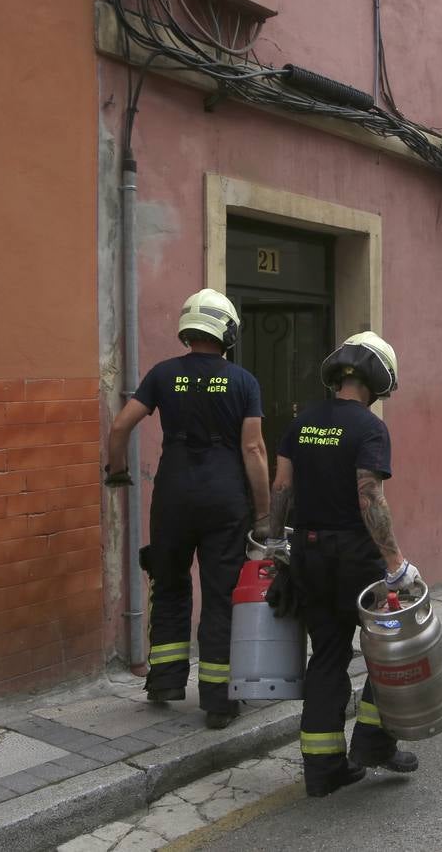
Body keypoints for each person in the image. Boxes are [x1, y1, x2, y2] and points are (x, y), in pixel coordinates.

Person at [105, 288, 270, 729]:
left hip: (173, 495)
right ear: (227, 330)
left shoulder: (163, 375)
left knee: (170, 584)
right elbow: (252, 448)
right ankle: (218, 701)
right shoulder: (243, 381)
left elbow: (121, 425)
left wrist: (117, 472)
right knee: (220, 594)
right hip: (225, 498)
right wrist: (264, 512)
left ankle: (164, 682)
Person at [267, 331, 420, 798]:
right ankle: (374, 745)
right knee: (389, 651)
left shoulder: (302, 421)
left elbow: (281, 488)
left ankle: (322, 768)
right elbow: (369, 493)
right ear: (377, 382)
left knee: (327, 657)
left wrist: (275, 543)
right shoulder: (369, 428)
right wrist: (395, 562)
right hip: (357, 558)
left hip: (309, 555)